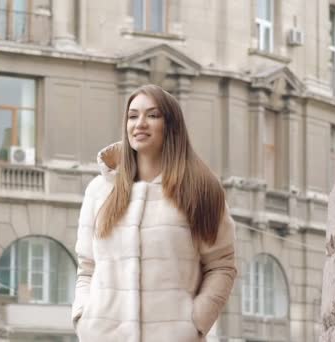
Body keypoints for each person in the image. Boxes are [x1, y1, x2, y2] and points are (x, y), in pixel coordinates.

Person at [72, 84, 237, 342]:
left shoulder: (199, 189)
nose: (140, 124)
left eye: (152, 115)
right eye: (133, 115)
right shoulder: (99, 191)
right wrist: (84, 317)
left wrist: (193, 324)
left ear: (171, 125)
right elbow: (87, 267)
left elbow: (221, 266)